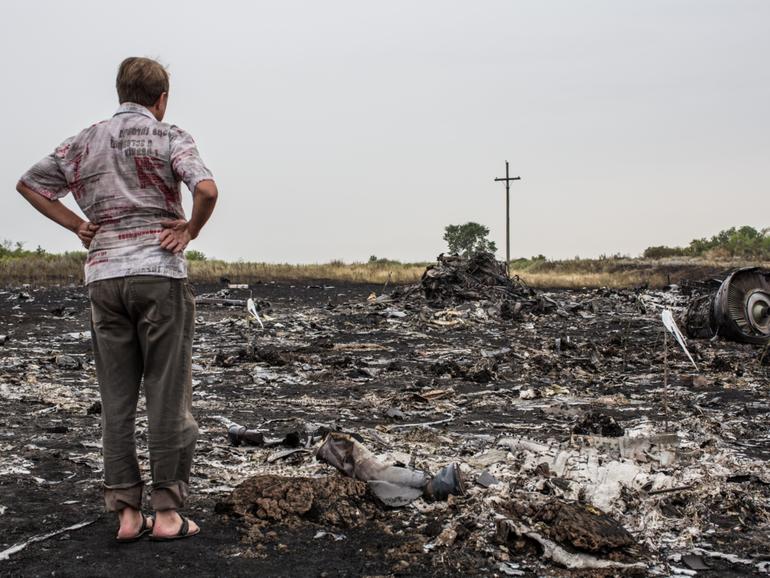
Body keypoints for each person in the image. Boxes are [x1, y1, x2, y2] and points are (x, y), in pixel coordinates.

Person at [16, 57, 218, 542]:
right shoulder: (171, 137)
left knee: (117, 399)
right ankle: (168, 512)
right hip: (157, 272)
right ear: (161, 99)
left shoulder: (84, 141)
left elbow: (30, 184)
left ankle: (127, 512)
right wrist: (189, 229)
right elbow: (206, 190)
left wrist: (78, 225)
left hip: (104, 276)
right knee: (168, 395)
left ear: (120, 92)